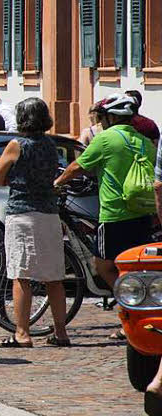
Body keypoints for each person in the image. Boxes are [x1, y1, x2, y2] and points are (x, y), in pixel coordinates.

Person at [58, 94, 155, 340]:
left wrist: (57, 182)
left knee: (103, 267)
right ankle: (138, 311)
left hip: (114, 214)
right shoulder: (144, 142)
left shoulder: (106, 139)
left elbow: (77, 166)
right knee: (135, 267)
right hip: (143, 213)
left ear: (111, 118)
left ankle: (130, 305)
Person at [0, 98, 71, 348]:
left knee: (21, 274)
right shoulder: (51, 145)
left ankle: (23, 333)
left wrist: (9, 179)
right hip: (48, 213)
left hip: (23, 213)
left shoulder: (17, 144)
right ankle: (60, 332)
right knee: (54, 277)